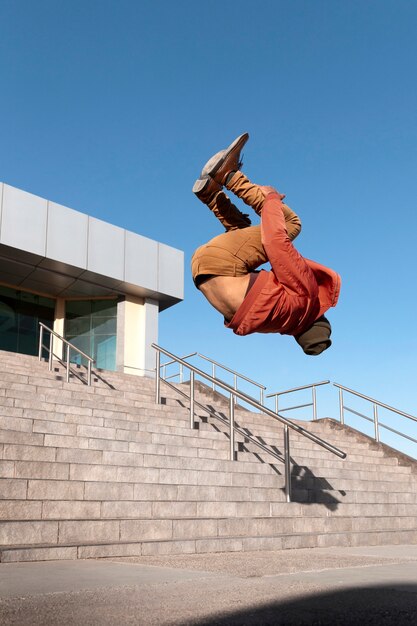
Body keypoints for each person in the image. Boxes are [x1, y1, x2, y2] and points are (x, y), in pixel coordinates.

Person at [191, 133, 341, 356]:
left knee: (291, 225)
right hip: (202, 269)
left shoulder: (305, 299)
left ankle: (230, 175)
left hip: (224, 262)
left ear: (319, 316)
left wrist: (272, 199)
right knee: (244, 233)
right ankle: (212, 196)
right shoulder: (276, 322)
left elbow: (275, 243)